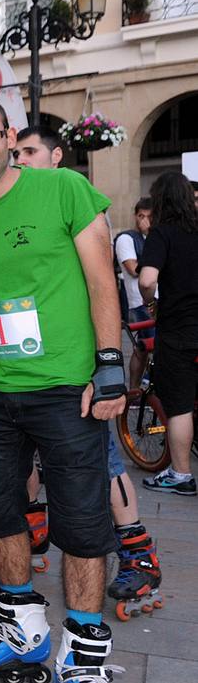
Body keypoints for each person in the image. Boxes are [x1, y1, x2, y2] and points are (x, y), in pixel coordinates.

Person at [0, 97, 130, 683]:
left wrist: (110, 364)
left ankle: (82, 653)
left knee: (82, 519)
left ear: (7, 137)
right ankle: (22, 617)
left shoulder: (62, 188)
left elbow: (100, 276)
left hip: (65, 388)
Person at [14, 132, 161, 624]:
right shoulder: (19, 206)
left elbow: (102, 287)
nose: (21, 161)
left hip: (78, 364)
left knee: (105, 459)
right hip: (32, 364)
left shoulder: (75, 197)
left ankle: (140, 554)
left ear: (57, 156)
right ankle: (36, 536)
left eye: (29, 152)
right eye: (17, 155)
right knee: (32, 456)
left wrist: (107, 366)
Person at [140, 170, 198, 500]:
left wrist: (150, 302)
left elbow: (147, 279)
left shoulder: (162, 234)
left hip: (178, 331)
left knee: (178, 407)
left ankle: (180, 474)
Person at [115, 198, 153, 390]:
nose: (144, 221)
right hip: (140, 303)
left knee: (142, 348)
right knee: (147, 347)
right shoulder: (127, 239)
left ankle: (136, 389)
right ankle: (137, 388)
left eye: (149, 216)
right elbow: (133, 268)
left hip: (159, 301)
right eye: (140, 216)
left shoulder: (155, 238)